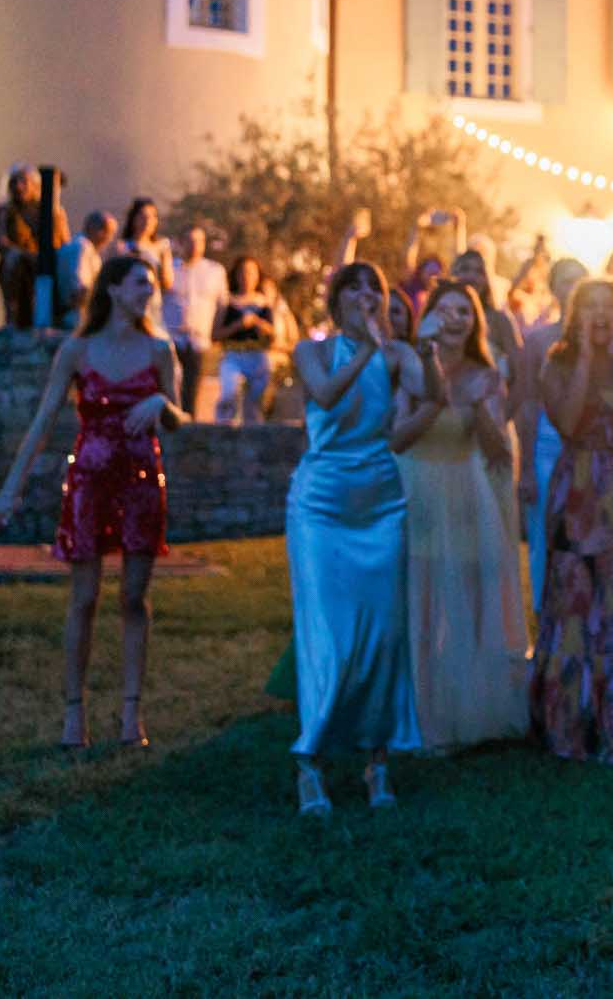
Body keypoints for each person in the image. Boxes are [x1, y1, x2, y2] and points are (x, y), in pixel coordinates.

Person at [0, 256, 185, 749]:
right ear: (114, 289)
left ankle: (130, 713)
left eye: (152, 284)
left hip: (140, 482)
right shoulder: (77, 350)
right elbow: (44, 419)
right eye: (141, 282)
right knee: (85, 596)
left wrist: (162, 404)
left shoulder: (161, 350)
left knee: (133, 597)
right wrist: (11, 488)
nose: (149, 291)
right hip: (90, 481)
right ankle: (75, 713)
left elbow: (184, 419)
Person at [284, 262, 431, 814]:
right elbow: (324, 396)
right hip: (320, 505)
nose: (367, 295)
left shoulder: (396, 356)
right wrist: (368, 350)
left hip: (381, 502)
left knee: (381, 635)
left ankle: (377, 763)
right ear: (338, 298)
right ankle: (310, 763)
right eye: (356, 287)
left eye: (376, 289)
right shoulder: (312, 350)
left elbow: (431, 393)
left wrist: (433, 358)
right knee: (328, 635)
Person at [532, 277, 613, 762]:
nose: (602, 314)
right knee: (572, 600)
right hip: (577, 487)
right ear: (575, 314)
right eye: (591, 306)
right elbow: (566, 423)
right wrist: (586, 355)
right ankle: (572, 719)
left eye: (610, 306)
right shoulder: (557, 365)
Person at [395, 280, 528, 749]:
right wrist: (438, 388)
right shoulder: (410, 368)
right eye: (445, 310)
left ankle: (467, 709)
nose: (454, 319)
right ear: (428, 316)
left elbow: (497, 452)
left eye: (464, 313)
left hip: (466, 489)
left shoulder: (487, 374)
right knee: (421, 603)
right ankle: (419, 713)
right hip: (417, 488)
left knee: (468, 605)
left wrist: (481, 407)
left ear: (475, 323)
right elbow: (398, 435)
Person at [515, 258, 587, 617]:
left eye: (579, 281)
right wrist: (525, 466)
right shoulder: (538, 340)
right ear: (554, 287)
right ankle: (547, 621)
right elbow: (526, 404)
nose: (572, 288)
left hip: (591, 452)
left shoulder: (602, 339)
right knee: (545, 538)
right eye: (566, 281)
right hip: (547, 449)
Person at [161, 227, 226, 417]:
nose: (195, 246)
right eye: (190, 240)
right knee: (170, 383)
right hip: (172, 336)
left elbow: (221, 305)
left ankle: (191, 424)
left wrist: (216, 333)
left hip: (199, 340)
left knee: (194, 386)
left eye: (199, 241)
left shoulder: (215, 271)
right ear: (181, 243)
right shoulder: (169, 269)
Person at [0, 165, 69, 328]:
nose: (18, 186)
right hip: (18, 260)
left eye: (23, 181)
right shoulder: (6, 211)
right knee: (12, 260)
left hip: (44, 261)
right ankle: (11, 318)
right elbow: (2, 242)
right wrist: (26, 255)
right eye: (14, 182)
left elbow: (63, 243)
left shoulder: (51, 211)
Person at [213, 256, 276, 425]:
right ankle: (223, 433)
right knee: (229, 394)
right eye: (243, 272)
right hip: (233, 355)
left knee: (254, 405)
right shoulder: (227, 302)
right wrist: (237, 326)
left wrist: (257, 323)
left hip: (258, 356)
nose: (246, 276)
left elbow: (273, 334)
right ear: (236, 275)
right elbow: (215, 335)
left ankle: (253, 440)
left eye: (251, 272)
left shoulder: (264, 303)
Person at [451, 246, 522, 368]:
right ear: (453, 274)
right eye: (465, 269)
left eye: (479, 271)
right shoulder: (441, 316)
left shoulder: (500, 319)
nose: (471, 276)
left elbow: (520, 366)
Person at [54, 210, 116, 322]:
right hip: (75, 316)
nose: (109, 238)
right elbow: (78, 289)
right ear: (95, 229)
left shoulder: (83, 248)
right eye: (108, 232)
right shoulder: (81, 248)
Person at [115, 198, 172, 284]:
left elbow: (167, 283)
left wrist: (163, 263)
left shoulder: (161, 247)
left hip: (153, 294)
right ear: (133, 219)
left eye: (152, 216)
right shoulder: (122, 246)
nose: (147, 221)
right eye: (142, 216)